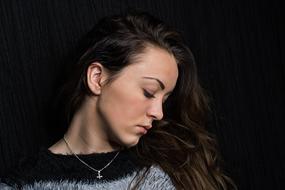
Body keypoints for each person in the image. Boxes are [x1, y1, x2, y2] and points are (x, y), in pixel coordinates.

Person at [0, 10, 236, 190]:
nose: (159, 113)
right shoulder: (22, 184)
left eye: (164, 100)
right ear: (97, 78)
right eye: (148, 91)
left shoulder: (160, 176)